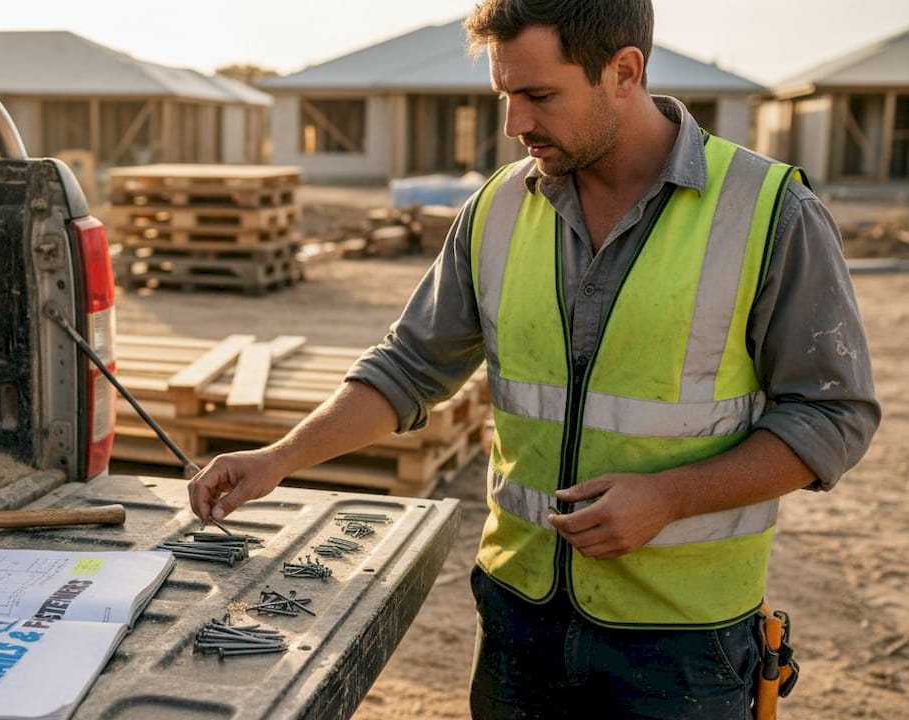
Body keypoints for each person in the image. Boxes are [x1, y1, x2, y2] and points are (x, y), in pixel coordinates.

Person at [187, 0, 881, 716]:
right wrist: (279, 457)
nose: (515, 123)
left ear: (624, 71)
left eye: (539, 95)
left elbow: (833, 414)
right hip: (518, 623)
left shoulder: (770, 211)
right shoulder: (495, 208)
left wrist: (670, 498)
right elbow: (408, 368)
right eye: (506, 96)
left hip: (684, 647)